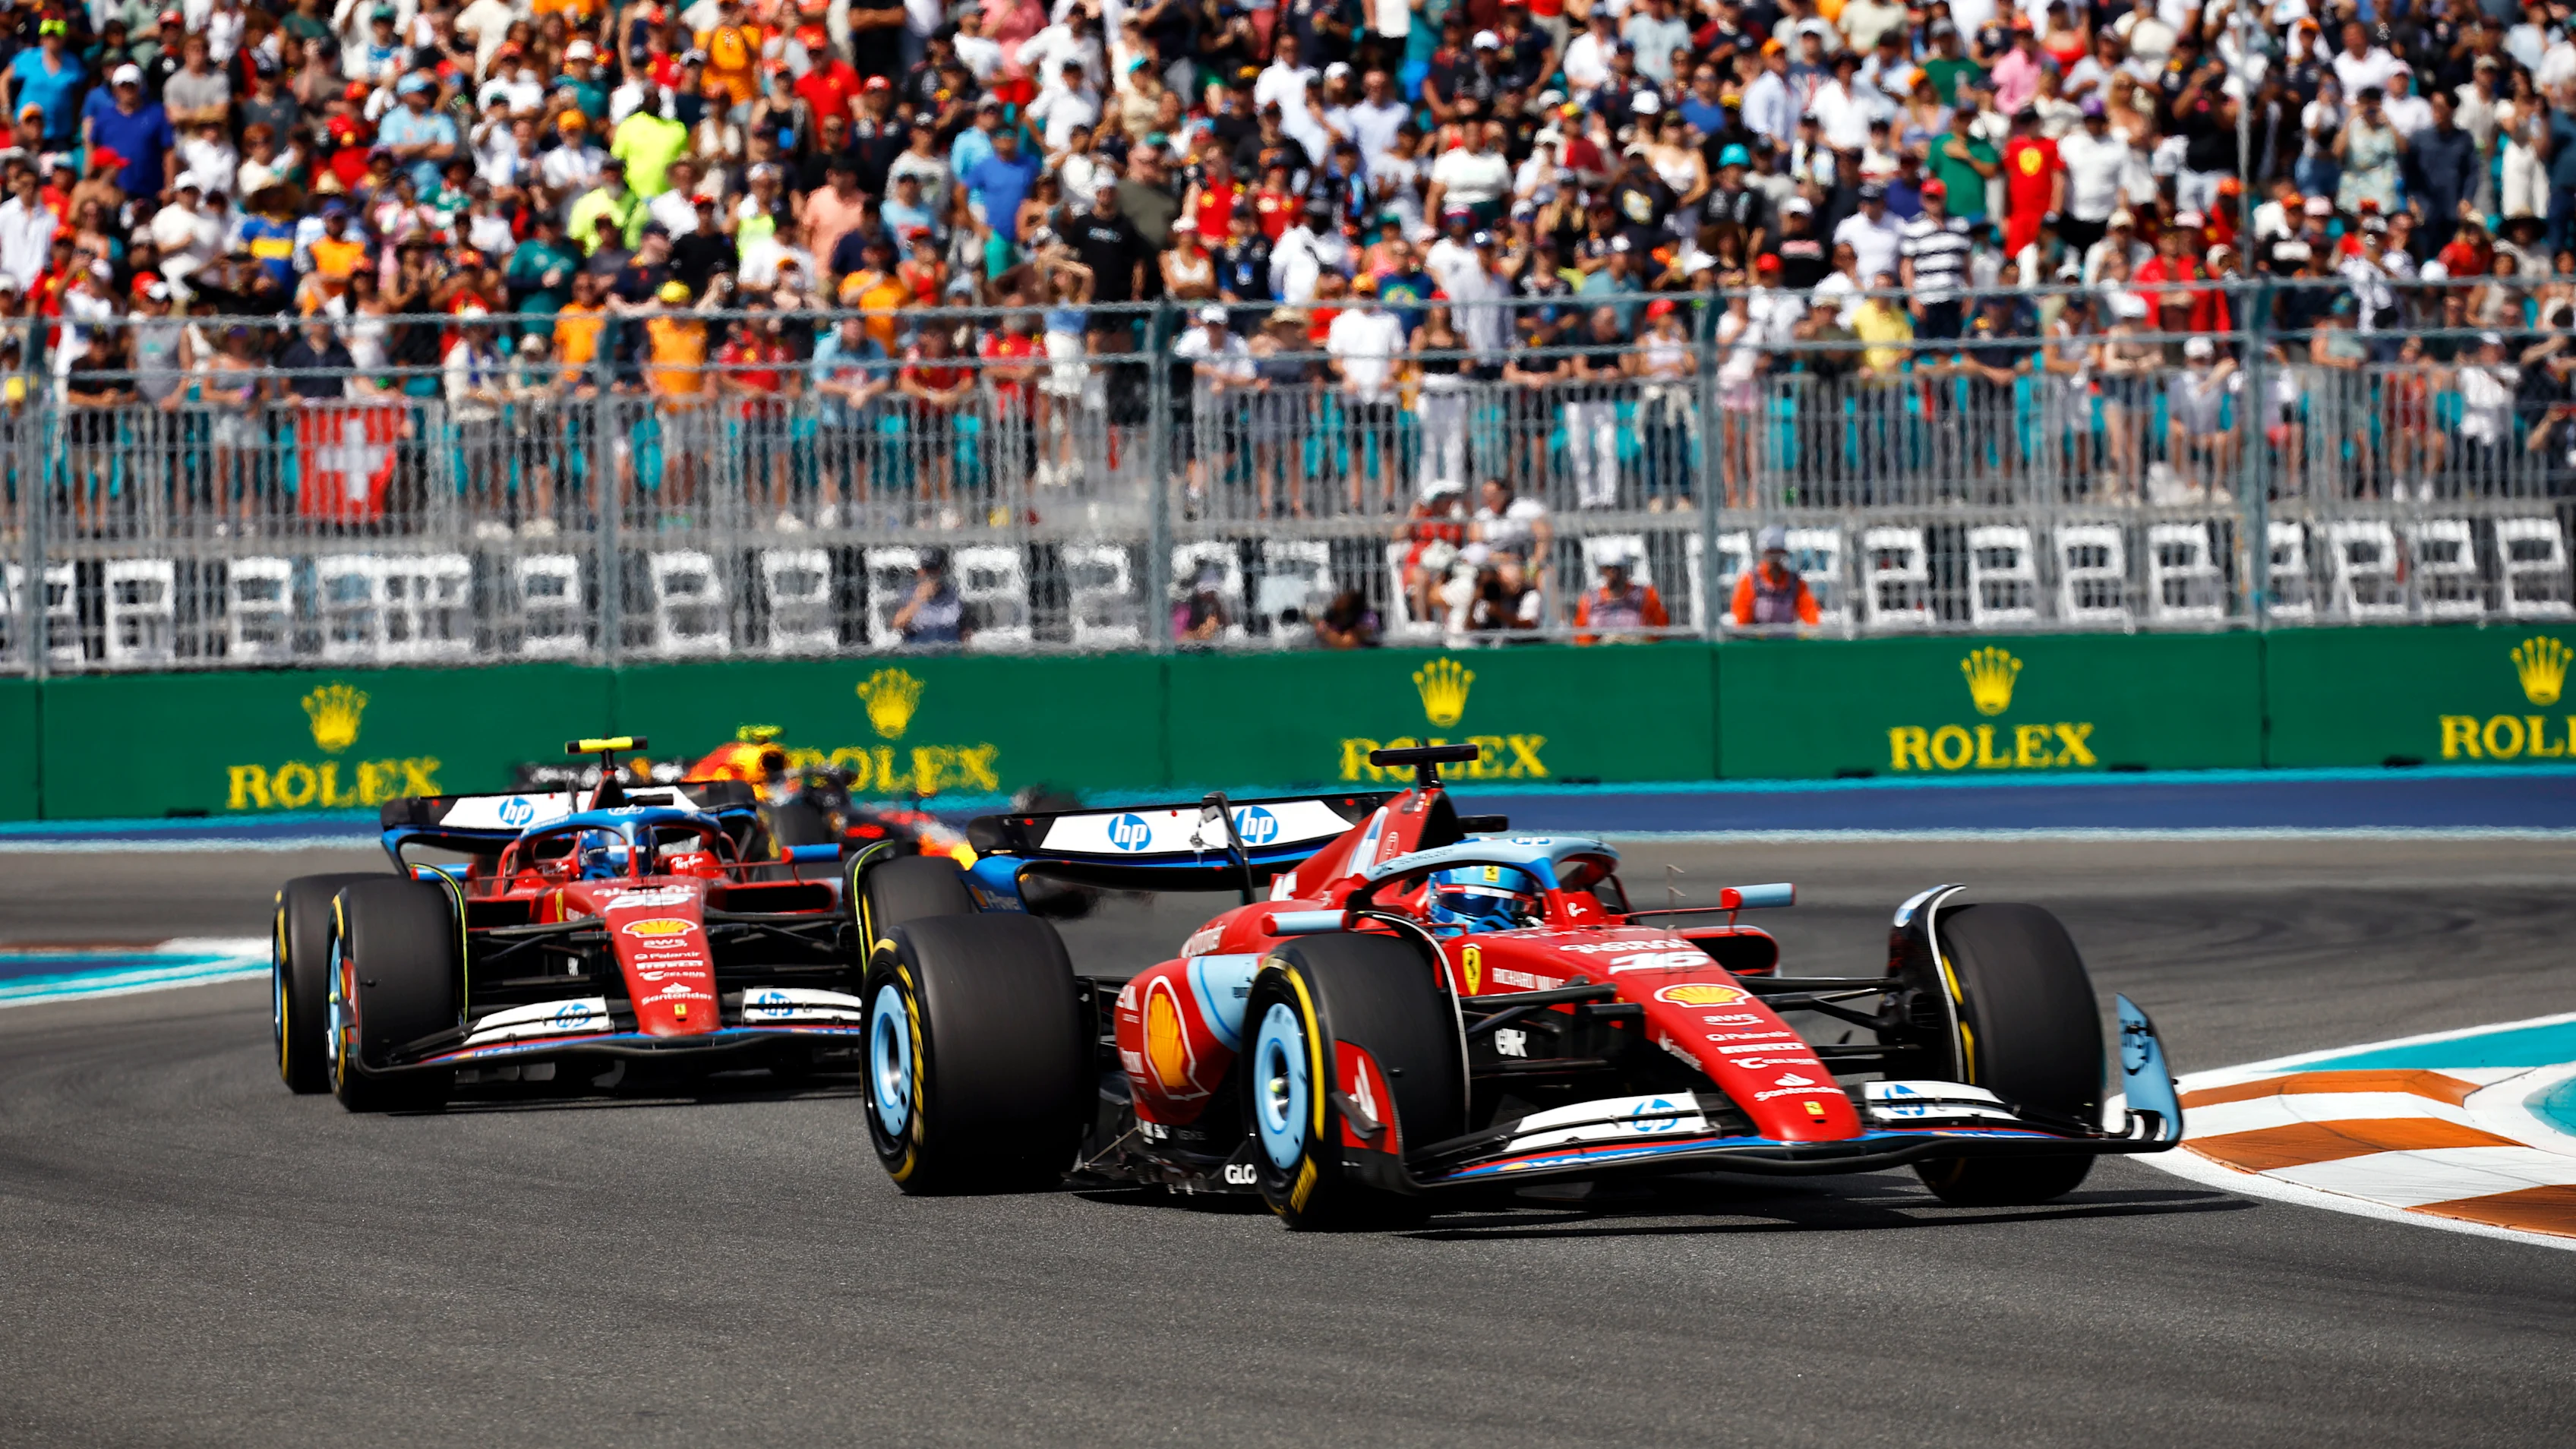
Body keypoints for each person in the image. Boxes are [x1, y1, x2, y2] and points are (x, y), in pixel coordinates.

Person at [1729, 526, 1822, 627]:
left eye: (1778, 554)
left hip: (1786, 640)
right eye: (1770, 554)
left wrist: (1814, 630)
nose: (1774, 561)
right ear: (1763, 554)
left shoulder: (1794, 582)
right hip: (1758, 639)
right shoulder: (1750, 581)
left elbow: (1809, 612)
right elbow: (1741, 619)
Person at [1573, 553, 1668, 644]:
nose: (1614, 572)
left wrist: (1642, 640)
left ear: (1626, 569)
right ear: (1602, 570)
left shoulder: (1645, 595)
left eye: (1618, 567)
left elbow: (1660, 625)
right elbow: (1581, 634)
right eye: (1609, 568)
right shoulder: (1590, 599)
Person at [892, 548, 971, 645]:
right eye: (925, 570)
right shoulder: (908, 594)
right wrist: (918, 601)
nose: (929, 575)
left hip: (948, 651)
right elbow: (897, 624)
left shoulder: (953, 595)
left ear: (940, 572)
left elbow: (966, 631)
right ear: (919, 572)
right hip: (919, 651)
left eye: (933, 570)